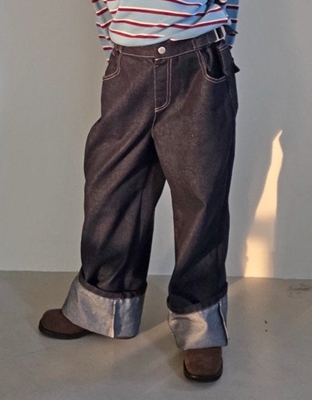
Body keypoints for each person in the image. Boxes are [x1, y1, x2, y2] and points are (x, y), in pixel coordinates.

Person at [39, 0, 240, 382]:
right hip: (128, 64)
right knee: (112, 187)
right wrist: (119, 53)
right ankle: (101, 304)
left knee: (200, 198)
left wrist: (218, 49)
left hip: (198, 62)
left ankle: (201, 328)